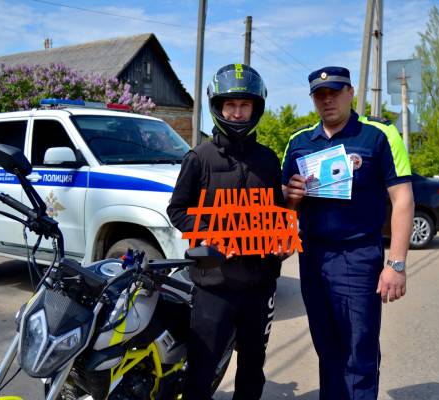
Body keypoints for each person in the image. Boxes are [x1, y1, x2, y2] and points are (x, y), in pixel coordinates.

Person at [281, 66, 414, 400]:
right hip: (312, 257)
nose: (328, 100)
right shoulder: (298, 143)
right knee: (327, 349)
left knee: (359, 352)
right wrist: (291, 198)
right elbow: (284, 206)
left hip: (358, 257)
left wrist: (396, 264)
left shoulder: (378, 135)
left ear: (351, 93)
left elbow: (402, 200)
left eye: (335, 92)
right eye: (320, 95)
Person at [167, 63, 285, 400]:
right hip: (213, 285)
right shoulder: (199, 158)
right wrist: (208, 232)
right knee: (202, 366)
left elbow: (276, 214)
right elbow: (177, 210)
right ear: (217, 108)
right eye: (229, 105)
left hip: (260, 284)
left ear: (255, 108)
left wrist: (282, 239)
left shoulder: (268, 160)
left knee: (252, 365)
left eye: (244, 105)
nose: (237, 113)